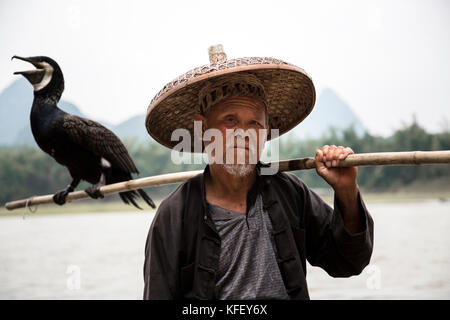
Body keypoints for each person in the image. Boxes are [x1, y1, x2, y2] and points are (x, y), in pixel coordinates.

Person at [143, 45, 374, 300]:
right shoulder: (174, 216)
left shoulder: (291, 193)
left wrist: (346, 191)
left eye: (254, 122)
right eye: (230, 120)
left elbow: (347, 261)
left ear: (265, 133)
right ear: (202, 128)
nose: (243, 132)